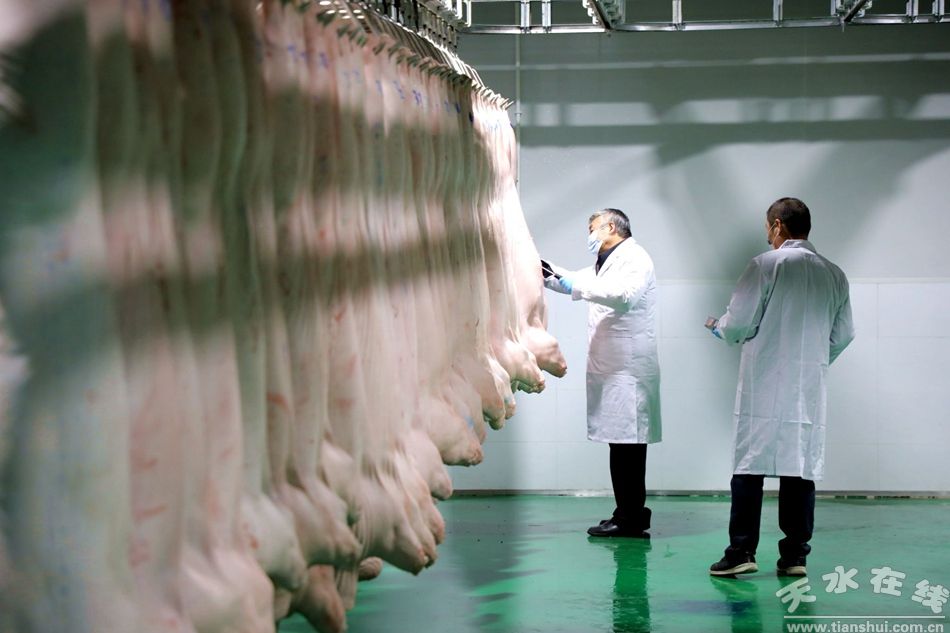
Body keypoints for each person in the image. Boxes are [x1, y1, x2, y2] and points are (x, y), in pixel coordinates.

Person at [706, 197, 854, 577]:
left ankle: (741, 551)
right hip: (807, 386)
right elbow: (844, 335)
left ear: (776, 226)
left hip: (764, 381)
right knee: (799, 466)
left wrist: (719, 327)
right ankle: (794, 557)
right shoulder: (834, 274)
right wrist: (814, 360)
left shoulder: (765, 264)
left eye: (767, 228)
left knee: (749, 466)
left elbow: (739, 322)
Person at [542, 208, 661, 538]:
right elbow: (571, 280)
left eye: (592, 228)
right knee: (620, 448)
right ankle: (628, 514)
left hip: (628, 371)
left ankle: (630, 518)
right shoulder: (604, 264)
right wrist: (539, 268)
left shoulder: (636, 258)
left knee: (628, 450)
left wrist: (578, 287)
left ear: (611, 227)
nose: (589, 234)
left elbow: (624, 296)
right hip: (613, 370)